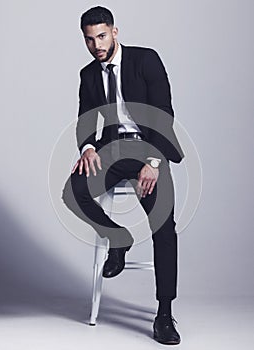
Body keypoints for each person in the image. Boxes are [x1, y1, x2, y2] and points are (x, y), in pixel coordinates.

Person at [62, 6, 184, 345]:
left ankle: (163, 313)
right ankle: (119, 239)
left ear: (115, 32)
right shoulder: (88, 74)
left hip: (149, 148)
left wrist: (155, 162)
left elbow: (163, 114)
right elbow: (86, 120)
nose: (96, 45)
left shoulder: (146, 60)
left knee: (164, 227)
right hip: (113, 150)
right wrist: (87, 147)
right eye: (89, 39)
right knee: (73, 191)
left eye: (101, 36)